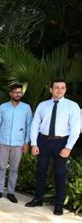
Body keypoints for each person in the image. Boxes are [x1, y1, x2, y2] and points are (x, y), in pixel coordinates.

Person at [26, 79, 80, 215]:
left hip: (61, 142)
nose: (60, 90)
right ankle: (38, 199)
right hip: (43, 141)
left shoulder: (72, 106)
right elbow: (35, 125)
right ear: (51, 89)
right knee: (40, 171)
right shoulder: (43, 105)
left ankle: (59, 205)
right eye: (56, 87)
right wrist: (34, 143)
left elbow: (76, 128)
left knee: (60, 173)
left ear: (66, 90)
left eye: (63, 88)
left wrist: (68, 147)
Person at [0, 84, 32, 203]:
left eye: (19, 92)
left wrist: (26, 142)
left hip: (18, 143)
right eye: (15, 92)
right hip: (3, 141)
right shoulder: (3, 107)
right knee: (1, 166)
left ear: (22, 94)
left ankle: (10, 192)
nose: (17, 94)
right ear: (11, 93)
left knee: (14, 168)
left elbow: (29, 125)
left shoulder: (26, 108)